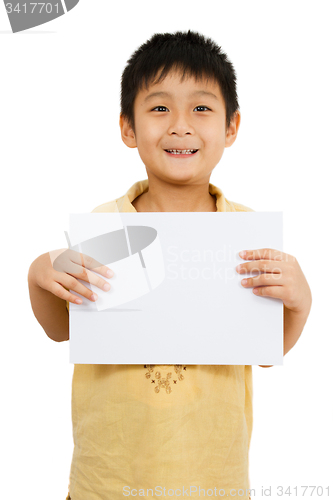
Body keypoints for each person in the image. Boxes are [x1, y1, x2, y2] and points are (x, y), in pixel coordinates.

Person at [27, 30, 312, 500]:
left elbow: (265, 350)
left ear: (231, 127)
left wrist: (300, 303)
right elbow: (61, 329)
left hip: (214, 483)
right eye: (159, 108)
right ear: (128, 128)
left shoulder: (247, 237)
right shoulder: (101, 228)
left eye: (201, 108)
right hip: (106, 483)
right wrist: (39, 274)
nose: (180, 125)